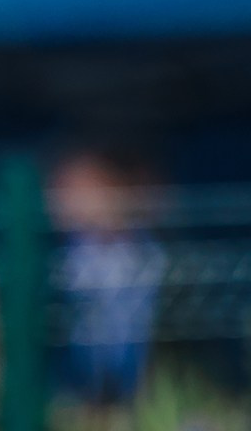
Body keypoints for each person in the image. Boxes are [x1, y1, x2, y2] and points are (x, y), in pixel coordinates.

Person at [52, 150, 166, 404]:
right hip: (72, 384)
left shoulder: (148, 253)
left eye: (77, 191)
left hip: (134, 385)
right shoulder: (63, 255)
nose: (61, 202)